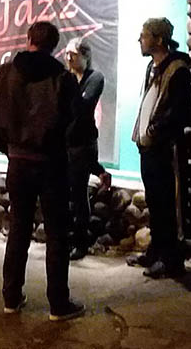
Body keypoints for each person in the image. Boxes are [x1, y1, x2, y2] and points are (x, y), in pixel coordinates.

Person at [0, 21, 84, 321]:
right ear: (54, 45)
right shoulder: (63, 79)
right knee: (56, 235)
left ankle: (11, 298)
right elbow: (77, 123)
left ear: (28, 40)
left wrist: (9, 149)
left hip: (18, 162)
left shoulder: (4, 73)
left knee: (18, 230)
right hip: (52, 165)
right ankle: (58, 303)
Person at [130, 18, 191, 279]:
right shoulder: (151, 67)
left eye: (144, 35)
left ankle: (171, 260)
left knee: (168, 204)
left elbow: (181, 110)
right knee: (156, 202)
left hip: (165, 148)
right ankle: (156, 250)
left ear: (157, 39)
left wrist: (155, 130)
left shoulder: (177, 70)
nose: (140, 40)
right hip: (148, 148)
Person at [63, 37, 113, 261]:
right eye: (66, 55)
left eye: (72, 55)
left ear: (85, 55)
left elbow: (83, 106)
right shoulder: (66, 78)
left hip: (83, 142)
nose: (68, 59)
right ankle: (66, 238)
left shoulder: (95, 78)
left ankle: (80, 242)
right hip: (65, 142)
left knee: (79, 193)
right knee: (65, 193)